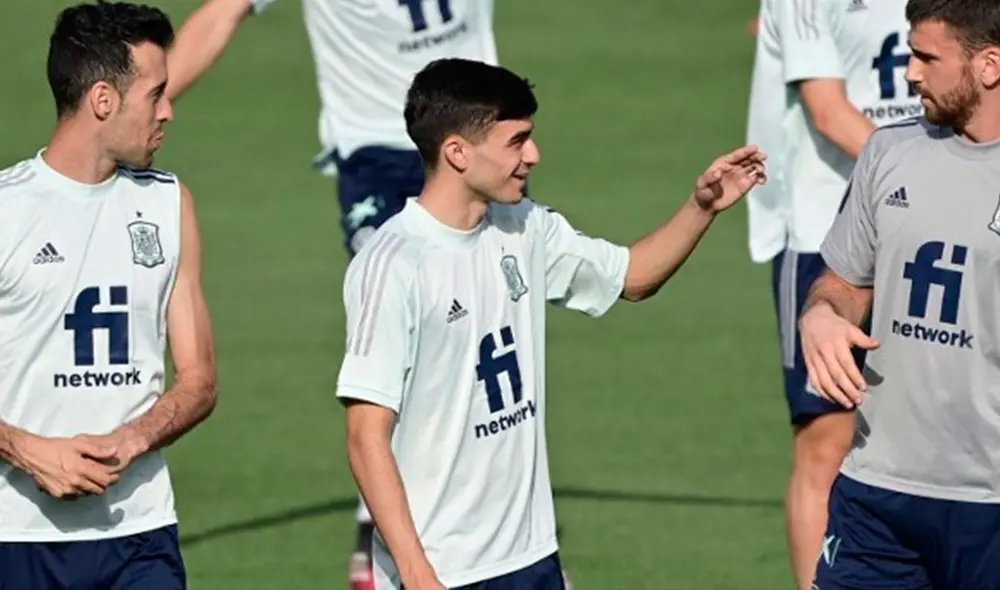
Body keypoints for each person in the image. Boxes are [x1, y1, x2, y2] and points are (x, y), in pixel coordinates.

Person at [337, 57, 766, 590]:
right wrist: (416, 570)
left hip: (533, 554)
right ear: (457, 152)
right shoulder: (393, 264)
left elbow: (631, 277)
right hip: (445, 569)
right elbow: (364, 436)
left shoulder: (524, 227)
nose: (533, 156)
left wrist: (702, 208)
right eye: (517, 141)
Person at [164, 3, 502, 584]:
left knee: (480, 338)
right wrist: (143, 103)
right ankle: (382, 521)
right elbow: (223, 11)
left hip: (482, 143)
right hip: (380, 152)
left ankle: (500, 540)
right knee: (407, 327)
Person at [0, 2, 217, 588]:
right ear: (102, 100)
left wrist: (133, 440)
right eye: (156, 94)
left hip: (140, 536)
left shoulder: (170, 204)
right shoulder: (5, 211)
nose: (169, 111)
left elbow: (199, 380)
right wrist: (25, 449)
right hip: (17, 540)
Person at [800, 0, 1000, 587]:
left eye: (926, 57)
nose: (909, 72)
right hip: (876, 491)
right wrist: (821, 315)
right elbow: (843, 281)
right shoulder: (890, 153)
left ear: (989, 65)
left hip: (989, 499)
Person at [744, 0, 918, 586]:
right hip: (826, 234)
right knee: (827, 443)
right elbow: (827, 111)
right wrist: (931, 180)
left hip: (929, 234)